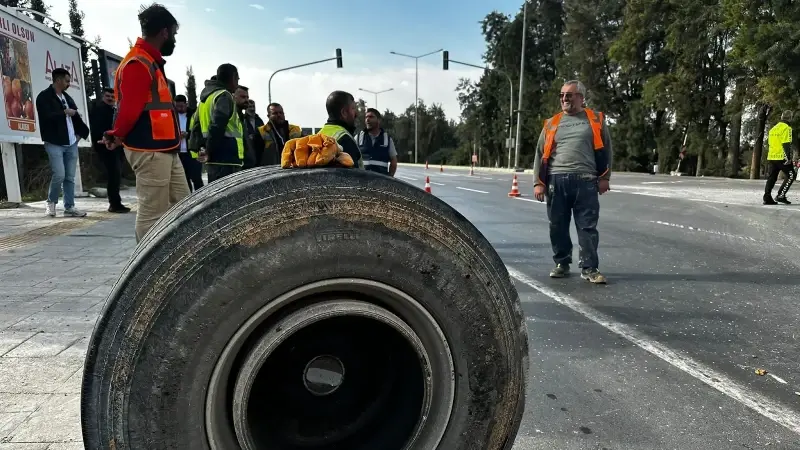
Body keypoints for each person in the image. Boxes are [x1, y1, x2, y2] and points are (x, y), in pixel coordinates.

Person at [100, 3, 190, 242]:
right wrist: (117, 133)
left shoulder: (149, 62)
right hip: (149, 150)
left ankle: (179, 258)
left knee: (184, 206)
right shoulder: (137, 63)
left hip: (164, 149)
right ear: (165, 32)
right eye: (174, 34)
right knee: (153, 215)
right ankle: (147, 273)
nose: (174, 40)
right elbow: (129, 109)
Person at [532, 80, 612, 284]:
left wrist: (605, 177)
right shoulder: (552, 123)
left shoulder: (596, 119)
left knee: (587, 226)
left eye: (569, 95)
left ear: (581, 97)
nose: (564, 98)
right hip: (556, 180)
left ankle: (590, 268)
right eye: (562, 95)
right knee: (557, 225)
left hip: (586, 181)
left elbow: (607, 150)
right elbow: (541, 154)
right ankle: (562, 262)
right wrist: (538, 182)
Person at [36, 67, 90, 218]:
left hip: (71, 143)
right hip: (54, 142)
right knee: (59, 174)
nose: (68, 84)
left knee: (69, 177)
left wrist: (80, 135)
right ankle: (51, 203)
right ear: (58, 80)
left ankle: (70, 207)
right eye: (67, 81)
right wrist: (64, 113)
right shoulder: (44, 97)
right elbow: (46, 117)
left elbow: (76, 118)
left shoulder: (67, 97)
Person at [196, 63, 244, 182]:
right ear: (233, 77)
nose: (237, 83)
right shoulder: (224, 96)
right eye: (237, 79)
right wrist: (208, 150)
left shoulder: (205, 99)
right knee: (231, 198)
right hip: (226, 159)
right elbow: (217, 126)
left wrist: (203, 149)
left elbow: (196, 128)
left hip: (214, 158)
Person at [90, 87, 130, 213]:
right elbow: (97, 129)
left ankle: (116, 202)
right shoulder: (99, 110)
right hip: (106, 146)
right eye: (108, 96)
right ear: (103, 97)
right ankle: (114, 204)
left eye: (113, 97)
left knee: (116, 175)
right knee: (114, 174)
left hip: (116, 146)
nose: (110, 99)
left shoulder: (115, 110)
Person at [319, 90, 363, 169]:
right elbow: (355, 178)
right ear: (344, 113)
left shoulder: (317, 135)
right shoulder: (345, 139)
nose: (356, 114)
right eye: (353, 108)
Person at [764, 110, 796, 205]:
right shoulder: (787, 128)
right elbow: (786, 144)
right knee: (791, 175)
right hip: (781, 157)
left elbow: (769, 143)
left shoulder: (773, 129)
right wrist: (788, 158)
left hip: (772, 156)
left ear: (781, 117)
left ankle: (767, 197)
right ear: (790, 118)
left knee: (772, 177)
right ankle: (781, 195)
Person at [356, 108, 397, 176]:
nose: (367, 119)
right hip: (362, 181)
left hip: (381, 183)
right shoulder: (358, 137)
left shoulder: (387, 139)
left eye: (371, 117)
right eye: (366, 117)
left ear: (379, 120)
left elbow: (394, 161)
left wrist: (389, 178)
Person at [174, 94, 202, 191]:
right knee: (184, 180)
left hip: (192, 152)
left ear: (186, 104)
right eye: (177, 106)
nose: (179, 108)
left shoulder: (193, 114)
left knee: (196, 178)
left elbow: (199, 130)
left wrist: (188, 134)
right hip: (178, 153)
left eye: (181, 106)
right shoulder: (173, 115)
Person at [244, 100, 265, 167]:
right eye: (250, 107)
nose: (252, 109)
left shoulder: (259, 120)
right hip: (248, 151)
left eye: (253, 106)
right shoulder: (243, 119)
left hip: (258, 151)